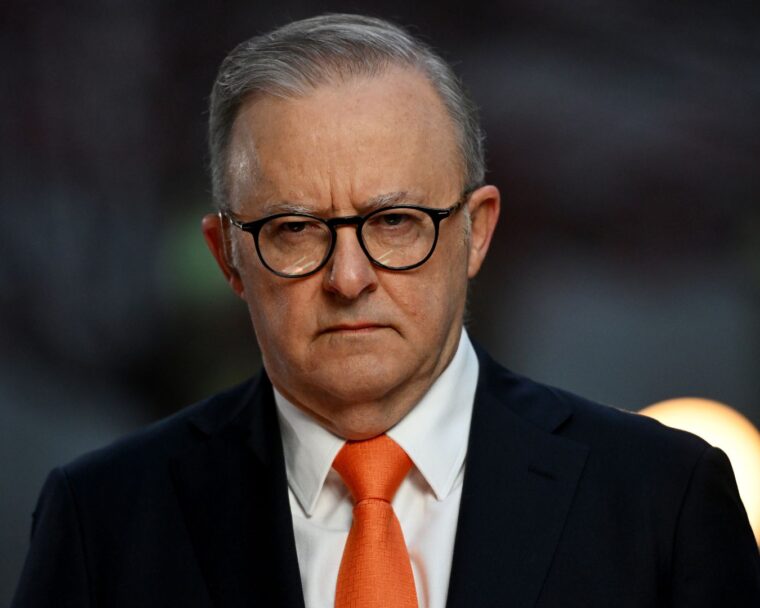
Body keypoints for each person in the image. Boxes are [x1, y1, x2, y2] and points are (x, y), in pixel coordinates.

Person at [12, 13, 760, 608]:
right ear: (227, 256)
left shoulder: (664, 502)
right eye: (296, 229)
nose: (348, 277)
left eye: (396, 222)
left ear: (478, 232)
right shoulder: (103, 519)